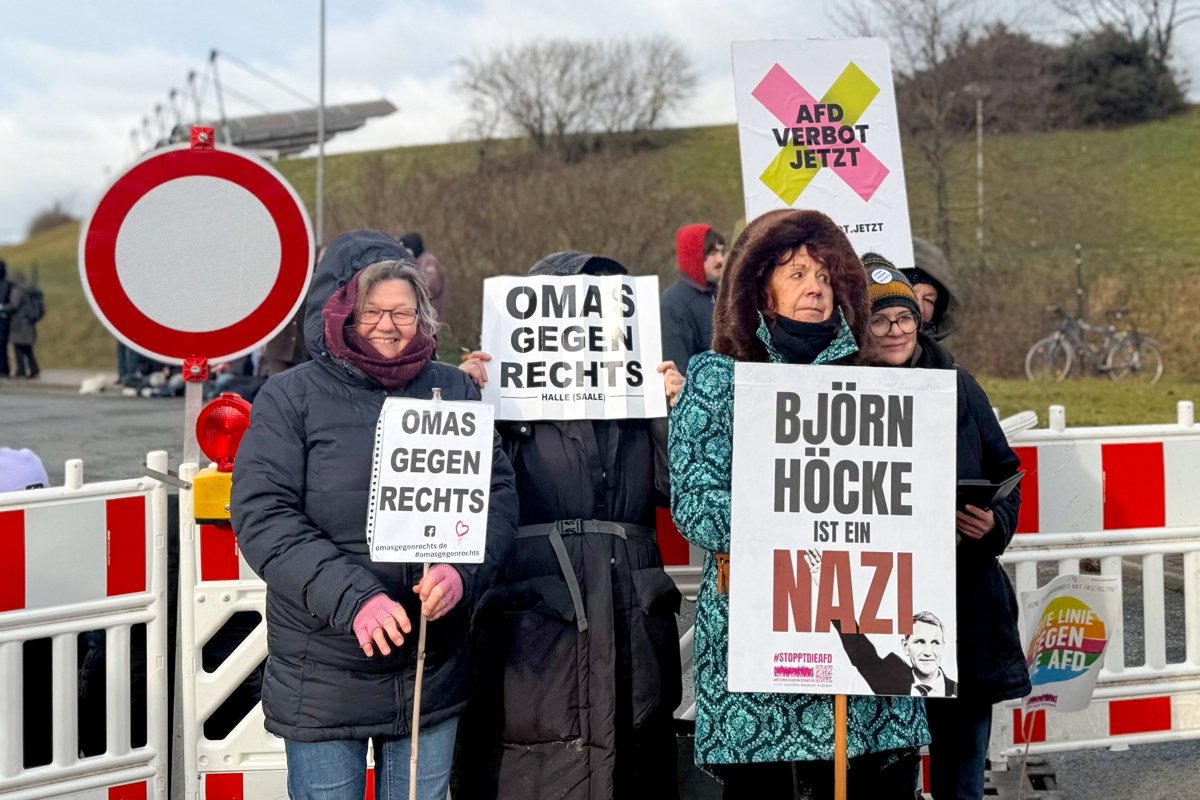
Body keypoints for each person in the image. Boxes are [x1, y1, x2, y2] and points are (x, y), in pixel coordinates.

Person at [230, 229, 518, 800]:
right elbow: (264, 514)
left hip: (429, 668)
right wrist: (355, 599)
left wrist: (464, 572)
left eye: (404, 313)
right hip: (326, 666)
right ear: (343, 313)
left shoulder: (455, 391)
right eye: (374, 311)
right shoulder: (291, 397)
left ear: (424, 318)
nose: (389, 325)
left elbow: (496, 495)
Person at [667, 210, 928, 799]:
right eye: (796, 274)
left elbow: (911, 501)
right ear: (762, 286)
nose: (814, 287)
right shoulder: (720, 379)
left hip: (862, 627)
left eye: (824, 275)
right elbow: (696, 500)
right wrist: (789, 529)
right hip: (763, 632)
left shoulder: (878, 382)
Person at [453, 251, 685, 800]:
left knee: (635, 755)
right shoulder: (502, 395)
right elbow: (463, 497)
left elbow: (681, 491)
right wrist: (468, 401)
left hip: (630, 611)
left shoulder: (639, 397)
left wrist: (674, 410)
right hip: (539, 613)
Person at [858, 255, 1028, 800]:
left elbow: (1006, 471)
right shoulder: (840, 392)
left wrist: (994, 522)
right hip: (879, 604)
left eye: (904, 318)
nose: (894, 331)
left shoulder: (958, 386)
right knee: (886, 770)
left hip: (962, 603)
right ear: (860, 326)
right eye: (879, 320)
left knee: (961, 767)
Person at [660, 223, 725, 375]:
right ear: (694, 255)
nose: (720, 259)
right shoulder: (674, 303)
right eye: (713, 252)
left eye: (722, 252)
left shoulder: (722, 296)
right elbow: (677, 368)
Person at [901, 237, 958, 340]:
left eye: (928, 300)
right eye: (909, 294)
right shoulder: (864, 351)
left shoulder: (943, 355)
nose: (920, 309)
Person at [399, 233, 446, 319]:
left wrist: (409, 292)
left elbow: (433, 287)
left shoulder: (428, 261)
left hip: (428, 316)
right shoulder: (412, 262)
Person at [0, 260, 12, 378]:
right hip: (4, 317)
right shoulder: (8, 284)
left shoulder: (6, 285)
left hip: (4, 317)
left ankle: (4, 369)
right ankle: (4, 369)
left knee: (2, 345)